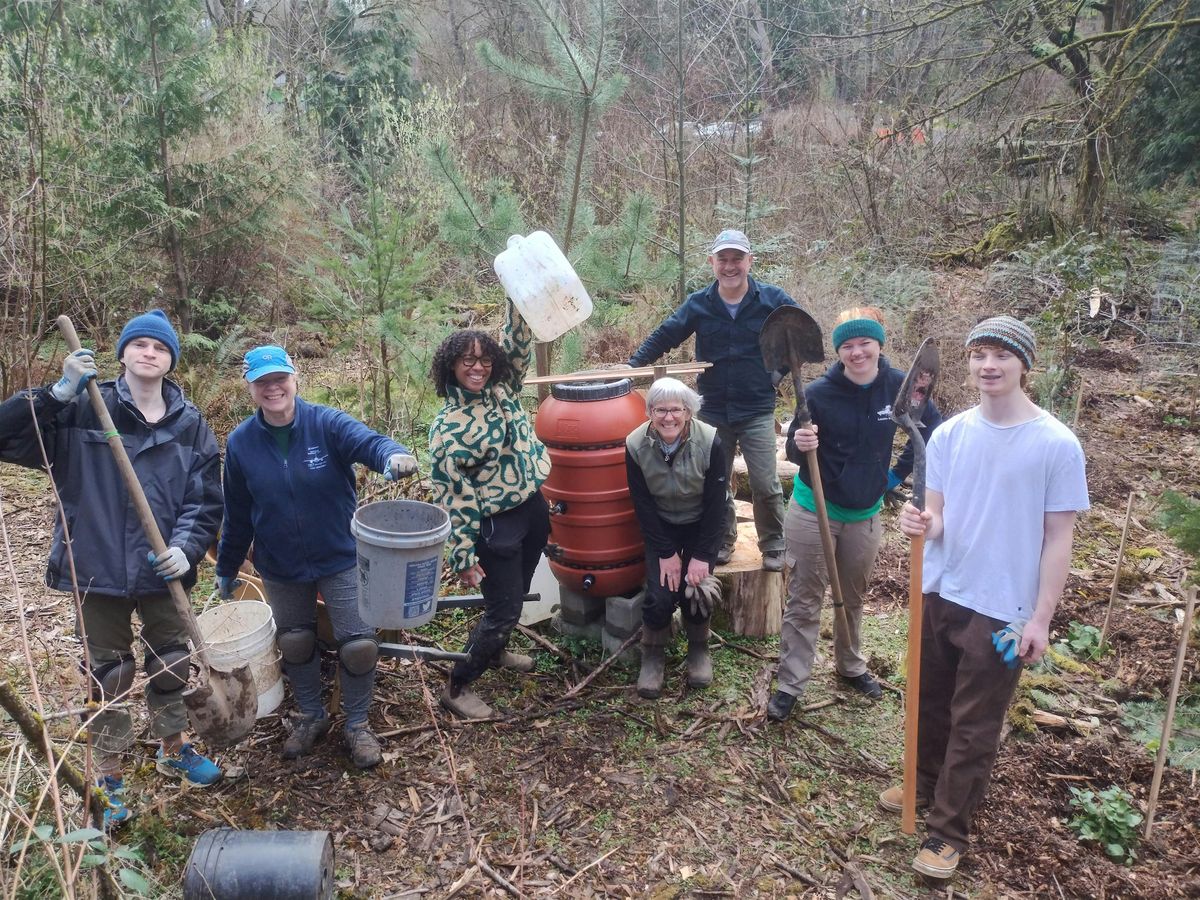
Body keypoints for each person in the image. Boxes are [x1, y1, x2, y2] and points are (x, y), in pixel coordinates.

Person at [0, 310, 224, 826]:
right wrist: (55, 393)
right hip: (96, 563)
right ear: (121, 354)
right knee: (110, 671)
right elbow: (7, 437)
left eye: (160, 347)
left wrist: (188, 549)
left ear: (171, 360)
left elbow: (204, 499)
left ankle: (173, 748)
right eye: (139, 344)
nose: (149, 353)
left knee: (169, 660)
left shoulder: (191, 426)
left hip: (163, 569)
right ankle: (109, 770)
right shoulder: (80, 410)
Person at [886, 316, 1089, 880]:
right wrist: (921, 522)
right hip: (943, 588)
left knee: (975, 721)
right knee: (930, 699)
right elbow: (940, 517)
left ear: (1025, 364)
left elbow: (1058, 540)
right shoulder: (950, 434)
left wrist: (1041, 619)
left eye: (1002, 355)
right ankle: (924, 785)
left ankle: (948, 832)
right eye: (979, 355)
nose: (989, 366)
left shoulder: (1055, 444)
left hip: (1004, 608)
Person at [215, 345, 417, 769]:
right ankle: (310, 715)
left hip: (340, 555)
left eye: (279, 379)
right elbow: (236, 513)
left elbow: (369, 442)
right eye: (262, 382)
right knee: (296, 640)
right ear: (250, 387)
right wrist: (226, 568)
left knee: (359, 645)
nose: (273, 388)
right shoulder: (241, 444)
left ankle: (358, 725)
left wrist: (391, 456)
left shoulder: (326, 423)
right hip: (281, 564)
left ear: (294, 378)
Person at [768, 308, 942, 720]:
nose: (857, 351)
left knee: (854, 596)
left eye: (865, 343)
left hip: (866, 512)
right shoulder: (819, 393)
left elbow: (930, 428)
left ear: (880, 345)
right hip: (815, 511)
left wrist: (895, 476)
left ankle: (850, 666)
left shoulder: (901, 386)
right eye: (847, 345)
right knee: (804, 599)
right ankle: (791, 683)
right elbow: (794, 450)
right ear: (838, 351)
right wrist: (801, 440)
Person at [627, 229, 796, 571]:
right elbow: (666, 334)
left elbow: (801, 337)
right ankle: (723, 539)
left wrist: (775, 376)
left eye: (737, 259)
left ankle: (774, 544)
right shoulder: (699, 304)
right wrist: (632, 366)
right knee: (715, 483)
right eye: (723, 259)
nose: (730, 266)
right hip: (712, 409)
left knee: (765, 483)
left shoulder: (773, 300)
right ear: (712, 263)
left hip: (756, 409)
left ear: (750, 261)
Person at [428, 300, 551, 720]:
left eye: (483, 360)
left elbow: (518, 341)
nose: (477, 368)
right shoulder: (448, 427)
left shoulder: (504, 389)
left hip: (532, 507)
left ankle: (496, 651)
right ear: (451, 367)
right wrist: (462, 556)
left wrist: (517, 297)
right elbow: (454, 498)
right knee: (504, 609)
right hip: (495, 524)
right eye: (467, 361)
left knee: (515, 589)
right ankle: (458, 684)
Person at [625, 378, 729, 698]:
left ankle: (698, 648)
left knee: (696, 588)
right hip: (662, 527)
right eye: (660, 410)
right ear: (649, 412)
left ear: (688, 411)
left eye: (676, 410)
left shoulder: (711, 441)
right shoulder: (634, 445)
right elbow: (642, 504)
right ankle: (653, 655)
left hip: (701, 524)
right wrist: (666, 552)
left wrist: (701, 555)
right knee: (659, 594)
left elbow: (716, 505)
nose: (668, 418)